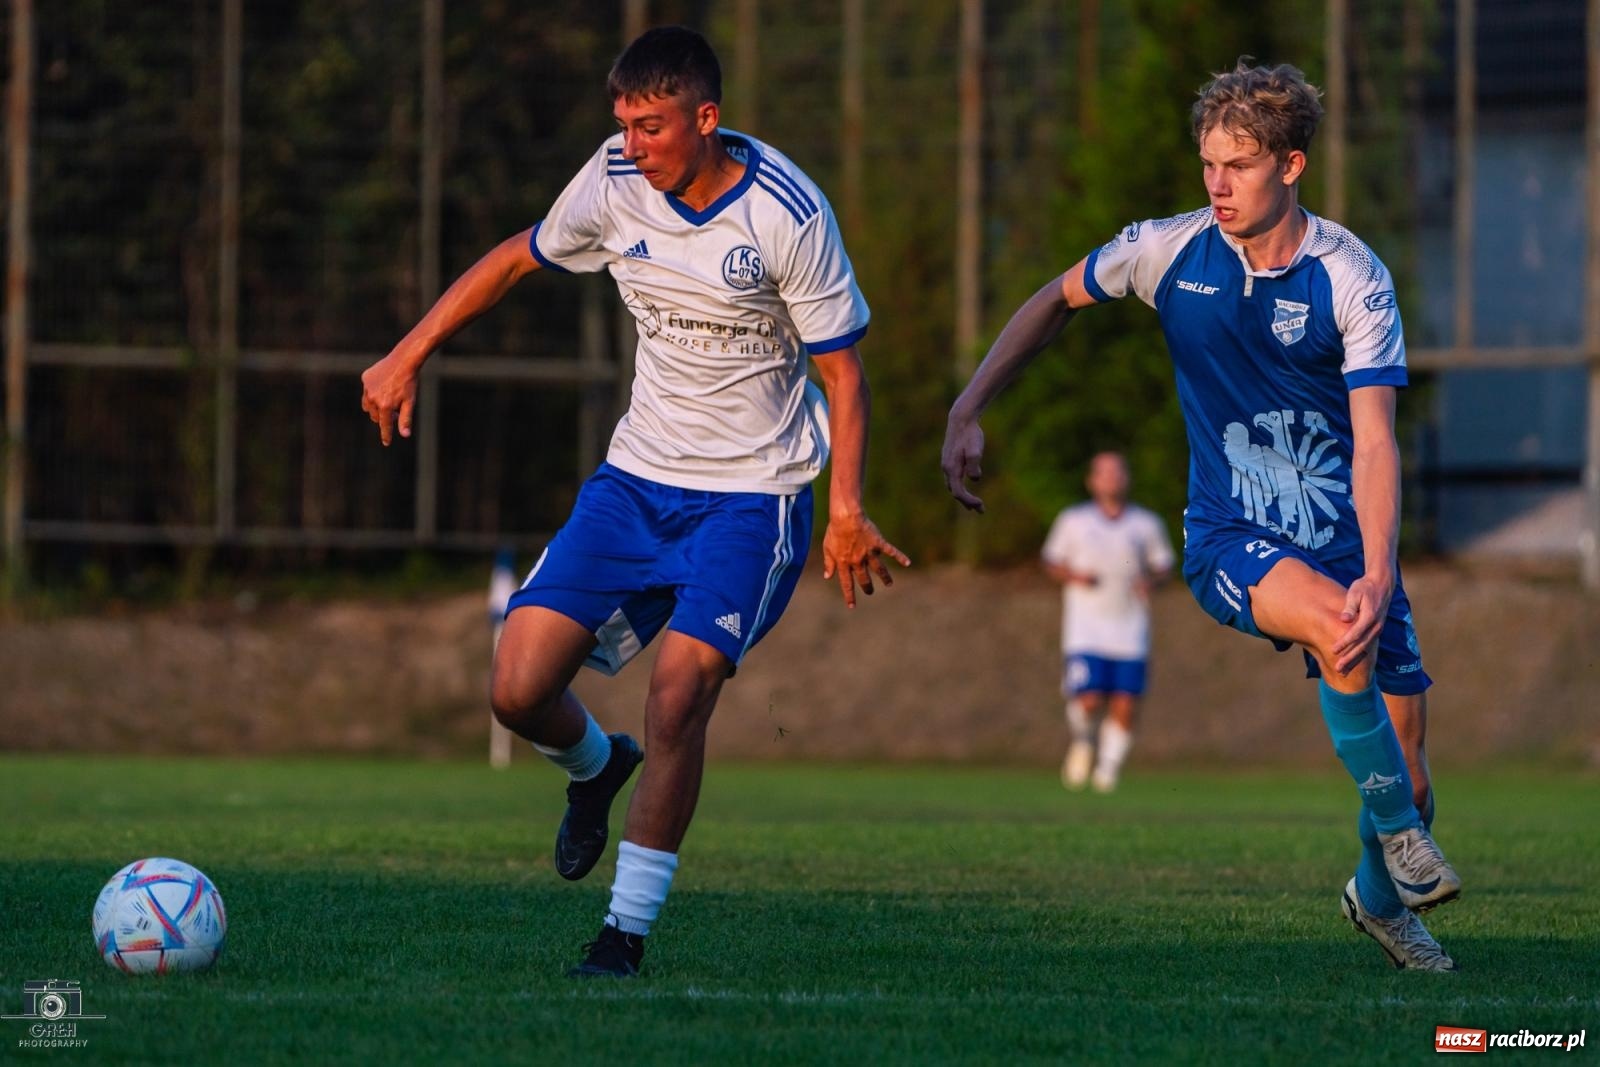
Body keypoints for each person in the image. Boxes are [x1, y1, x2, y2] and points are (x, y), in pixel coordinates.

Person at [360, 26, 907, 978]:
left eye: (651, 125)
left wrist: (849, 506)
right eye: (623, 123)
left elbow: (845, 379)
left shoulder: (787, 212)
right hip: (636, 480)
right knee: (517, 689)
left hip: (753, 499)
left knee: (679, 694)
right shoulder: (613, 179)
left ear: (706, 118)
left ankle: (622, 934)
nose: (633, 142)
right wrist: (409, 350)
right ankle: (594, 769)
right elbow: (518, 257)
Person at [941, 60, 1460, 971]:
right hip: (1231, 536)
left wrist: (1379, 567)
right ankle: (1402, 844)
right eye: (1209, 163)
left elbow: (1376, 443)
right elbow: (1053, 302)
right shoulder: (1168, 251)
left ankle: (1379, 899)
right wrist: (968, 404)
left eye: (1241, 165)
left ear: (1291, 166)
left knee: (1413, 779)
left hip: (1342, 537)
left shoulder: (1350, 273)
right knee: (1343, 638)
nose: (1217, 184)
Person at [1041, 451, 1173, 793]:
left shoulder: (1146, 523)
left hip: (1130, 627)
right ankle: (1083, 742)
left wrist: (1150, 581)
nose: (1112, 478)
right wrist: (1073, 575)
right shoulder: (1074, 520)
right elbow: (1052, 561)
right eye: (1104, 472)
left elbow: (1164, 566)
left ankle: (1107, 773)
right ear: (1092, 480)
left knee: (1126, 703)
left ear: (1126, 479)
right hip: (1086, 628)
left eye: (1117, 472)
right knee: (1088, 698)